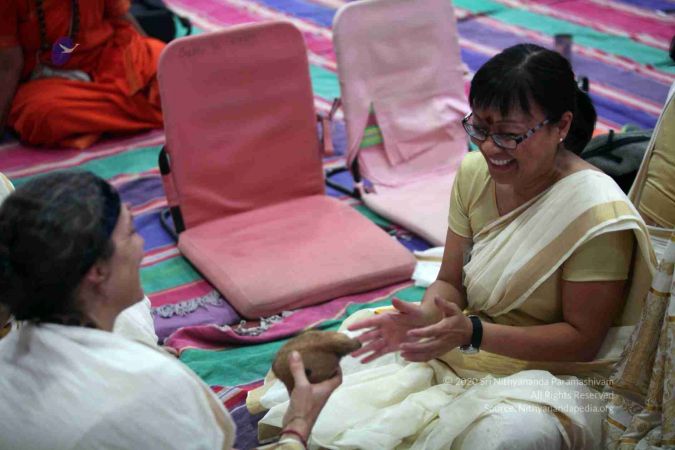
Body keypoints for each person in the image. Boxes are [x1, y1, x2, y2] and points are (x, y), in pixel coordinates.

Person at [257, 44, 656, 449]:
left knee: (507, 435)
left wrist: (472, 332)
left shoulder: (594, 213)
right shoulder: (473, 173)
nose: (490, 148)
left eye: (509, 135)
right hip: (467, 343)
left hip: (558, 378)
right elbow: (450, 281)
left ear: (562, 126)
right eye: (479, 129)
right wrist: (427, 317)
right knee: (343, 374)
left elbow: (582, 341)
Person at [0, 171, 341, 450]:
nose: (142, 246)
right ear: (97, 272)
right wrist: (298, 424)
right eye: (131, 232)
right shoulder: (150, 388)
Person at [0, 1, 164, 149]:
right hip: (49, 80)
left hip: (107, 56)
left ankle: (106, 116)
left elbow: (120, 16)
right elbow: (8, 64)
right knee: (42, 115)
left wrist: (149, 56)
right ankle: (143, 108)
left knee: (168, 70)